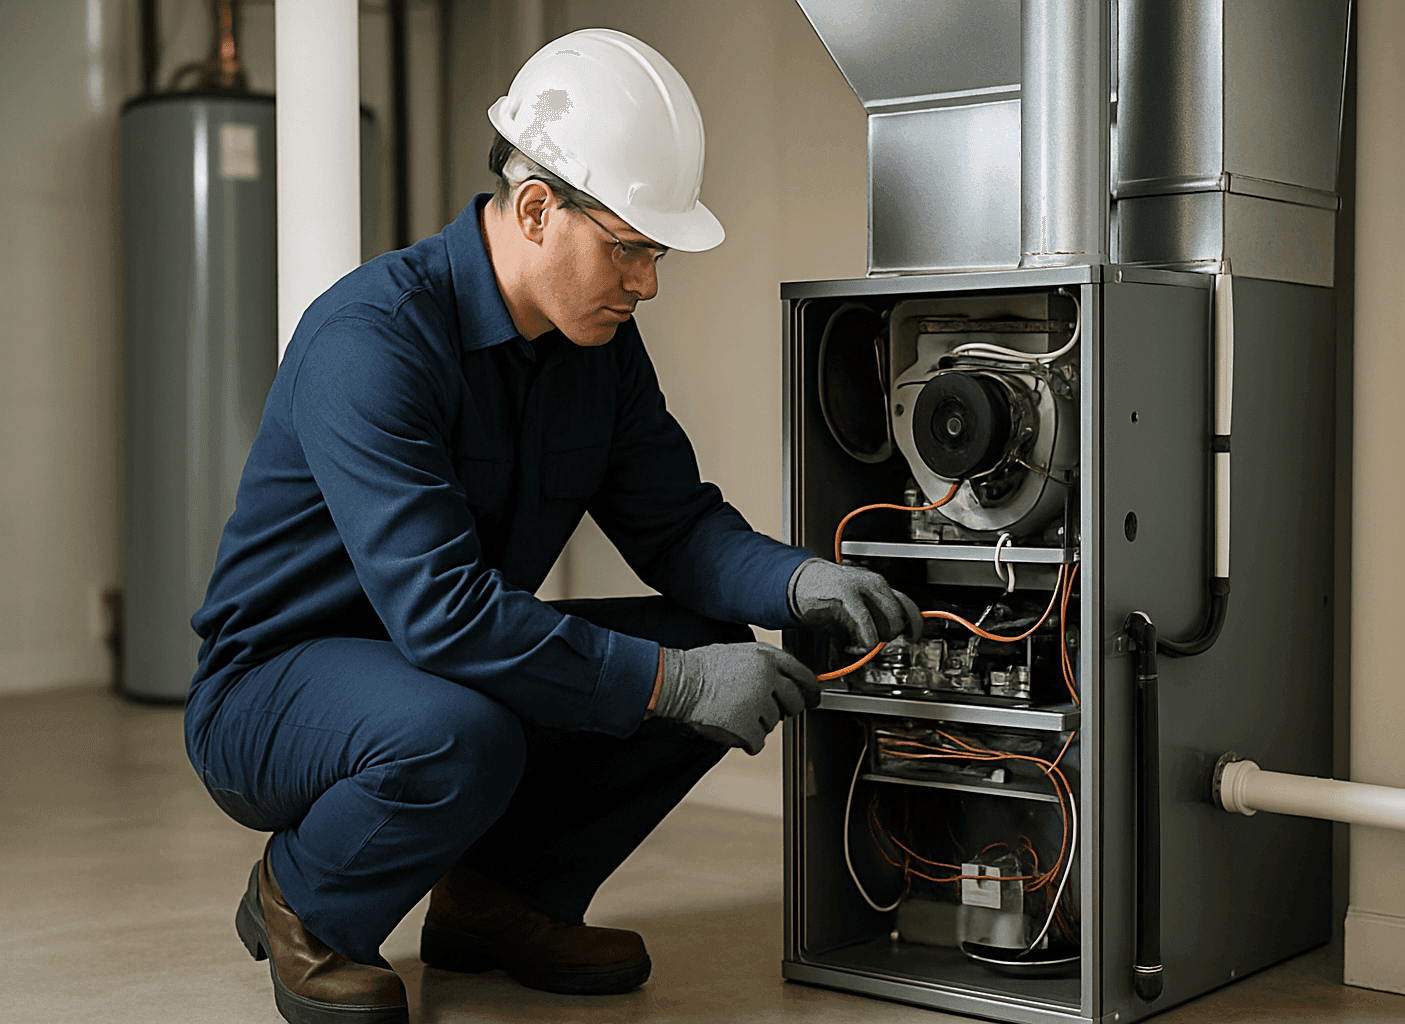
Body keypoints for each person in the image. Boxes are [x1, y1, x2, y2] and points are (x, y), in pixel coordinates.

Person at [184, 28, 919, 1024]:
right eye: (628, 249)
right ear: (536, 209)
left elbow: (676, 528)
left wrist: (799, 583)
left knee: (704, 643)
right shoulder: (376, 339)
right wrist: (672, 685)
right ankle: (306, 901)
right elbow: (442, 614)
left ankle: (498, 899)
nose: (648, 282)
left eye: (654, 253)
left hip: (429, 665)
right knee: (475, 726)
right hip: (275, 689)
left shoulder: (597, 350)